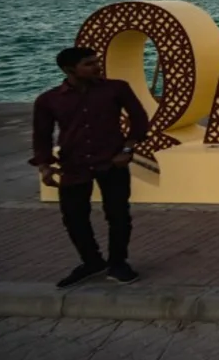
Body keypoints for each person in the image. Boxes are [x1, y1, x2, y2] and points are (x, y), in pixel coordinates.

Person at [31, 47, 149, 288]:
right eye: (89, 64)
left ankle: (118, 263)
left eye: (96, 61)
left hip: (111, 162)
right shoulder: (49, 100)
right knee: (74, 218)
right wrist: (44, 166)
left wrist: (127, 150)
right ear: (69, 69)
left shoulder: (116, 88)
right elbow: (41, 136)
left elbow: (139, 119)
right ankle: (91, 261)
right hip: (74, 165)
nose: (97, 66)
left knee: (118, 215)